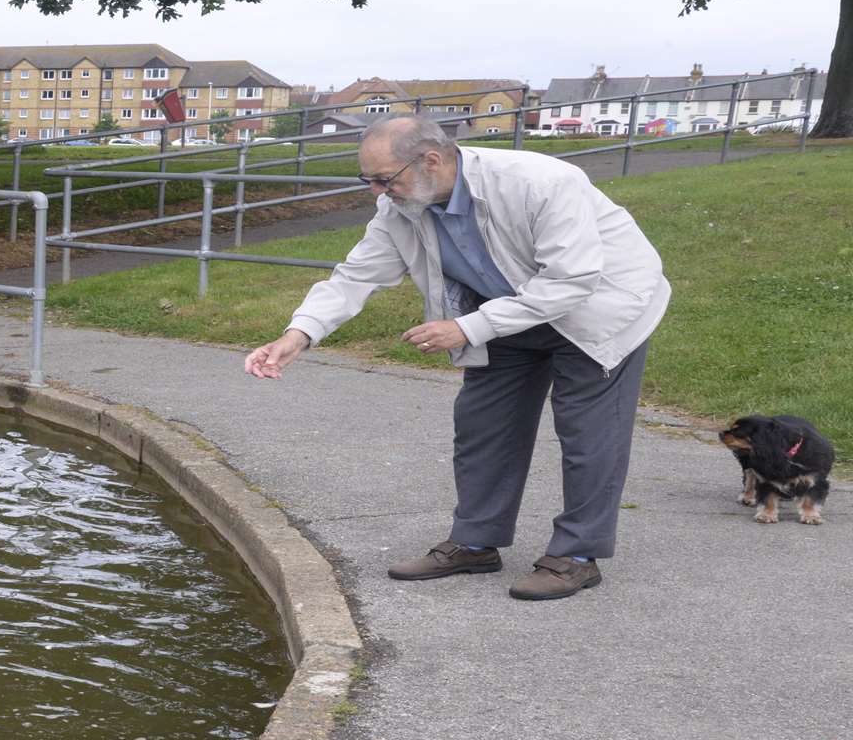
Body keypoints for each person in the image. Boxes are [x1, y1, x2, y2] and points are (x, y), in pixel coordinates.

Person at [244, 114, 670, 601]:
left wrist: (465, 328)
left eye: (385, 179)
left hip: (598, 310)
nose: (378, 193)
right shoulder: (401, 206)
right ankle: (475, 542)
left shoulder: (541, 182)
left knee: (588, 434)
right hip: (504, 313)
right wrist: (298, 335)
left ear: (431, 160)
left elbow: (571, 281)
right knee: (483, 425)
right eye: (370, 181)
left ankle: (575, 556)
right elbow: (354, 277)